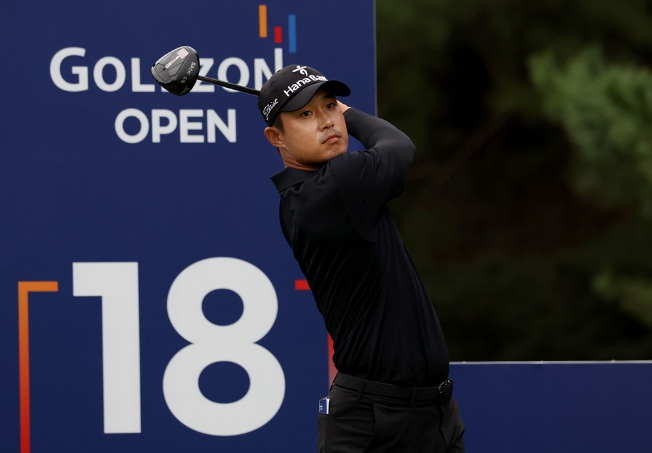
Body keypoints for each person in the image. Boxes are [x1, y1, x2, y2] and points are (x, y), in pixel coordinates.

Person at [259, 64, 465, 452]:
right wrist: (348, 115)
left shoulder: (325, 188)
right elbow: (399, 147)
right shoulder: (334, 187)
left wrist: (326, 113)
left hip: (434, 415)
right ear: (276, 137)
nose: (326, 121)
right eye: (305, 114)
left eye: (330, 105)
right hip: (374, 425)